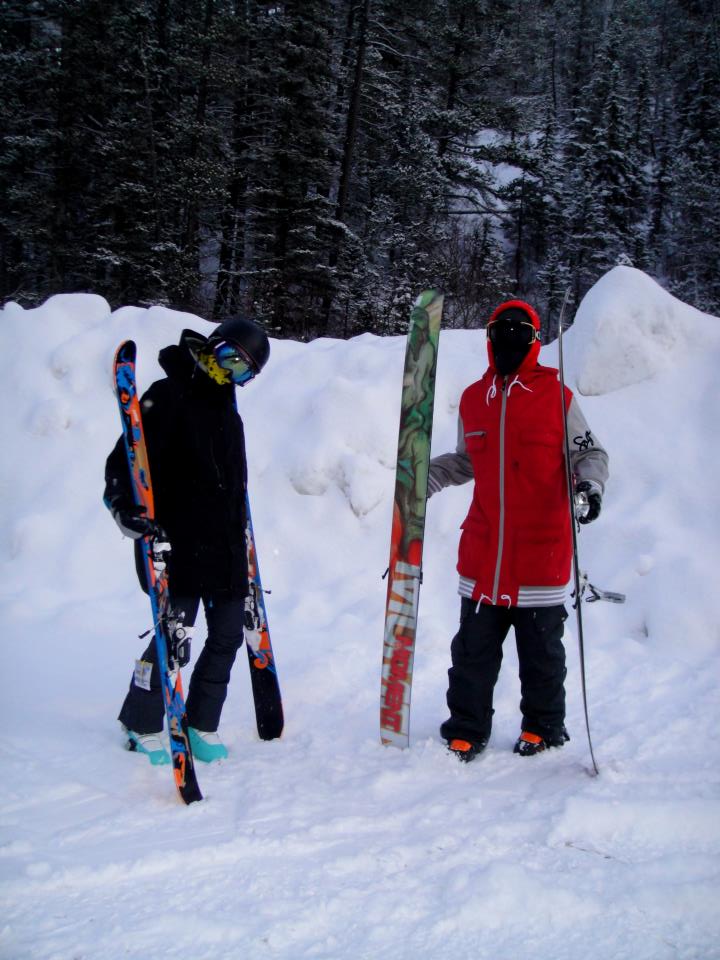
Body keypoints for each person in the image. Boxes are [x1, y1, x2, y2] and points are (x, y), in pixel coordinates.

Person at [427, 299, 608, 762]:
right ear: (489, 338)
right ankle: (466, 727)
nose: (509, 338)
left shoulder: (558, 396)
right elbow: (467, 460)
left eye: (520, 331)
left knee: (542, 656)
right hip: (485, 554)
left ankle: (544, 728)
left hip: (540, 553)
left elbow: (589, 454)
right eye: (500, 330)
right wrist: (425, 477)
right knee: (472, 653)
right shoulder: (473, 398)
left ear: (534, 339)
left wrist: (589, 487)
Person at [104, 317, 270, 765]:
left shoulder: (228, 410)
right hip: (177, 544)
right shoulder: (168, 394)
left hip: (226, 549)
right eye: (230, 358)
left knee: (228, 636)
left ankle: (201, 721)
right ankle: (139, 722)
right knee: (172, 637)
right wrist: (124, 508)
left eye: (244, 371)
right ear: (212, 346)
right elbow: (124, 461)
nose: (232, 372)